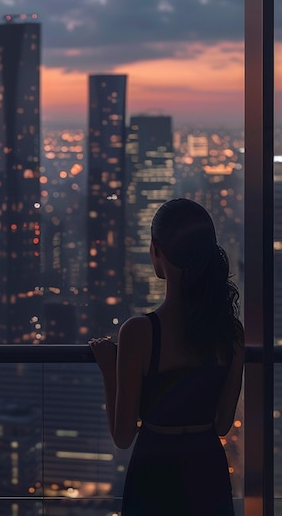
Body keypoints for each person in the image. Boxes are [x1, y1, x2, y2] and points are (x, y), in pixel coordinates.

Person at [89, 198, 244, 516]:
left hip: (154, 471)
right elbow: (223, 424)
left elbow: (123, 436)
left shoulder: (139, 332)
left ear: (156, 251)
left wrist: (109, 369)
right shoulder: (231, 331)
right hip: (207, 470)